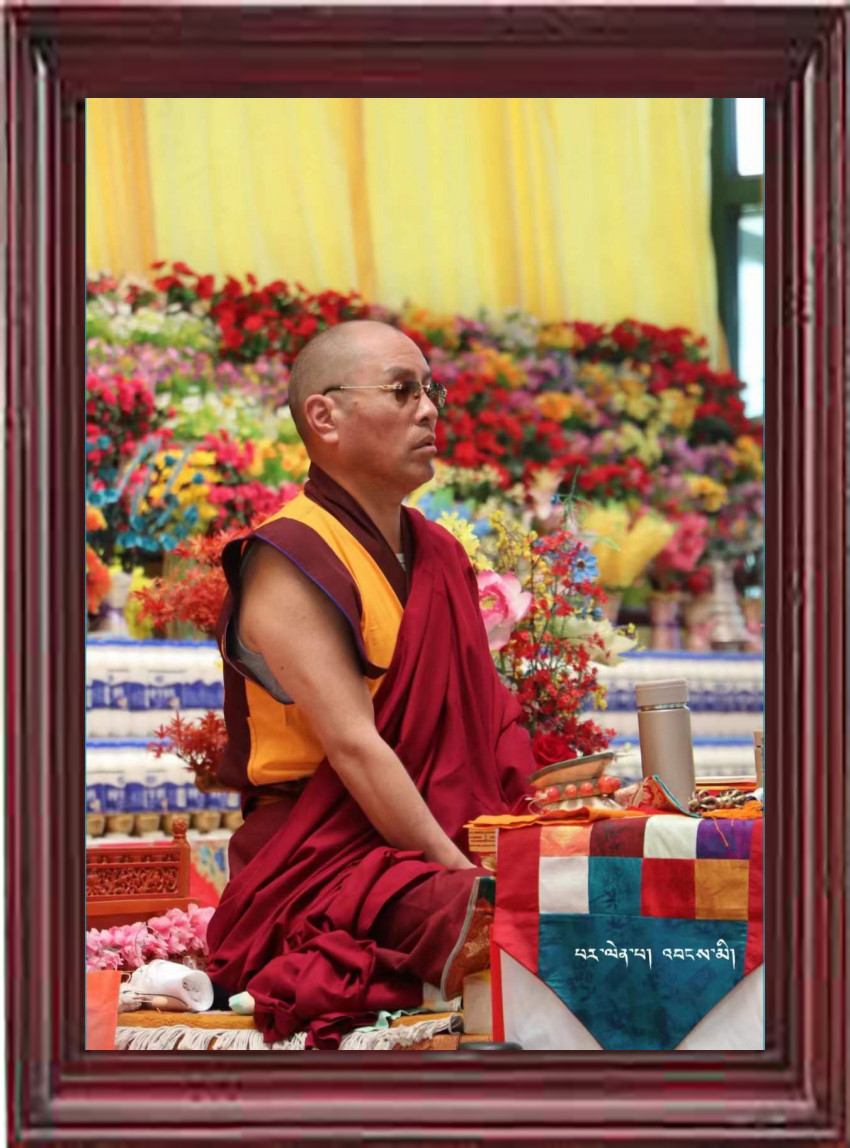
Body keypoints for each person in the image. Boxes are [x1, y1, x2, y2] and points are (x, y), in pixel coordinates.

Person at [205, 320, 535, 1047]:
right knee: (492, 916)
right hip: (321, 863)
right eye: (402, 390)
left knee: (574, 883)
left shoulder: (437, 553)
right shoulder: (291, 556)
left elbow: (489, 721)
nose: (429, 410)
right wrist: (466, 873)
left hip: (432, 841)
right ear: (324, 416)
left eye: (431, 390)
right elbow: (355, 746)